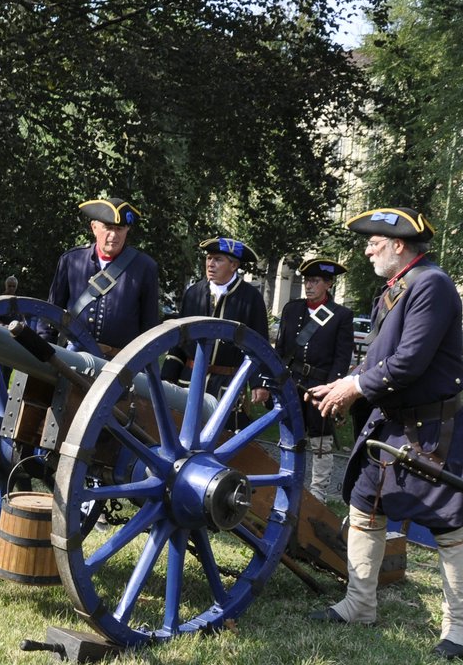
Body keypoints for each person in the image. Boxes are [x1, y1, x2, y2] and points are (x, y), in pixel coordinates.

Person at [305, 207, 463, 660]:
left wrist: (353, 386)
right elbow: (379, 359)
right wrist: (347, 383)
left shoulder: (432, 285)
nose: (366, 249)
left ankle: (460, 630)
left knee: (449, 527)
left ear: (399, 244)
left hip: (431, 429)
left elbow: (409, 362)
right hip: (391, 423)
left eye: (374, 242)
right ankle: (360, 604)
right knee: (365, 508)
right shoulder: (396, 288)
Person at [276, 258, 353, 500]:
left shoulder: (341, 315)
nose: (308, 285)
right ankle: (286, 479)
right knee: (289, 433)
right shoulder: (292, 309)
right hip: (291, 381)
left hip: (320, 384)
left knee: (321, 440)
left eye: (315, 281)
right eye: (307, 280)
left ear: (328, 283)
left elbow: (341, 359)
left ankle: (318, 491)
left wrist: (331, 390)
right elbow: (281, 349)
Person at [164, 237, 271, 406]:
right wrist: (169, 375)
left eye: (218, 259)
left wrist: (259, 383)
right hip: (190, 379)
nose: (210, 264)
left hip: (227, 385)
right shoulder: (193, 293)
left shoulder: (251, 298)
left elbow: (260, 345)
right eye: (209, 258)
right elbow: (179, 339)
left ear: (234, 265)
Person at [46, 197, 161, 354]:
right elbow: (51, 312)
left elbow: (149, 326)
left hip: (117, 363)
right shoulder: (72, 260)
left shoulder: (145, 267)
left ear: (127, 230)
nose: (114, 235)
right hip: (73, 357)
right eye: (108, 227)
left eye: (119, 229)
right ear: (94, 227)